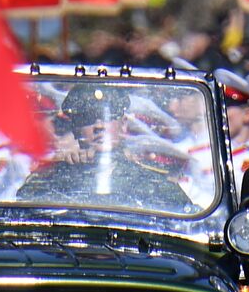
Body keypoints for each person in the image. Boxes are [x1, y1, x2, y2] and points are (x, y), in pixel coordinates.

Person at [15, 84, 197, 214]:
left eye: (108, 117)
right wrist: (63, 167)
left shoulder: (151, 182)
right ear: (75, 128)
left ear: (123, 124)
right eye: (89, 118)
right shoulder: (53, 178)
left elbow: (186, 218)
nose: (99, 126)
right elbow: (24, 208)